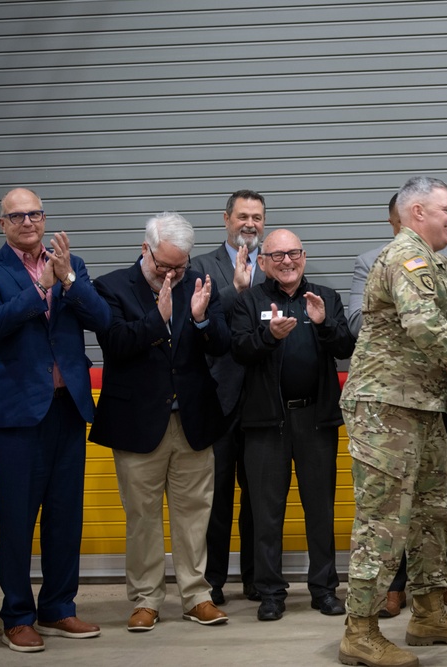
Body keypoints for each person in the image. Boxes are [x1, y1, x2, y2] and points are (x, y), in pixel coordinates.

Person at [339, 176, 447, 667]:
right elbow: (424, 323)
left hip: (422, 407)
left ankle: (428, 612)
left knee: (432, 513)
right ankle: (359, 630)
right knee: (383, 521)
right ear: (417, 212)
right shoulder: (407, 256)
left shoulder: (440, 264)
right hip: (384, 407)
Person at [0, 188, 109, 652]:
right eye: (17, 216)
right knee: (16, 518)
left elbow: (102, 317)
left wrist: (69, 279)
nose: (27, 222)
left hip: (66, 407)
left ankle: (58, 608)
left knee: (64, 517)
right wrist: (41, 289)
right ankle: (17, 615)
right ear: (3, 224)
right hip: (14, 415)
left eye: (34, 214)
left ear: (44, 218)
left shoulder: (69, 262)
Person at [90, 212, 230, 632]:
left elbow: (223, 344)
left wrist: (203, 319)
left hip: (193, 420)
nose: (171, 274)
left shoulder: (200, 283)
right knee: (142, 517)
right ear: (144, 249)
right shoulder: (110, 287)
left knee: (194, 514)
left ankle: (196, 595)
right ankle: (146, 599)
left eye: (179, 266)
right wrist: (158, 318)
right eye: (164, 265)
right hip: (137, 422)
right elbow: (114, 344)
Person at [231, 229, 356, 621]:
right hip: (267, 422)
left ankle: (324, 589)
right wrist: (268, 337)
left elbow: (346, 348)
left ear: (304, 256)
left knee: (320, 509)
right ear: (263, 262)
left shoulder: (325, 297)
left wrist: (322, 324)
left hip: (316, 420)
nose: (287, 261)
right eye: (278, 255)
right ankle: (270, 592)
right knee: (266, 513)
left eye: (294, 253)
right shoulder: (248, 301)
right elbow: (239, 350)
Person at [191, 189, 266, 606]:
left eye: (256, 217)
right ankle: (213, 580)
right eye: (242, 216)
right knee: (215, 497)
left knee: (258, 495)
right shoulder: (201, 266)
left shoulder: (275, 263)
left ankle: (255, 578)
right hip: (217, 398)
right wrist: (234, 291)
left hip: (262, 399)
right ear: (226, 219)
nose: (249, 224)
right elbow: (194, 320)